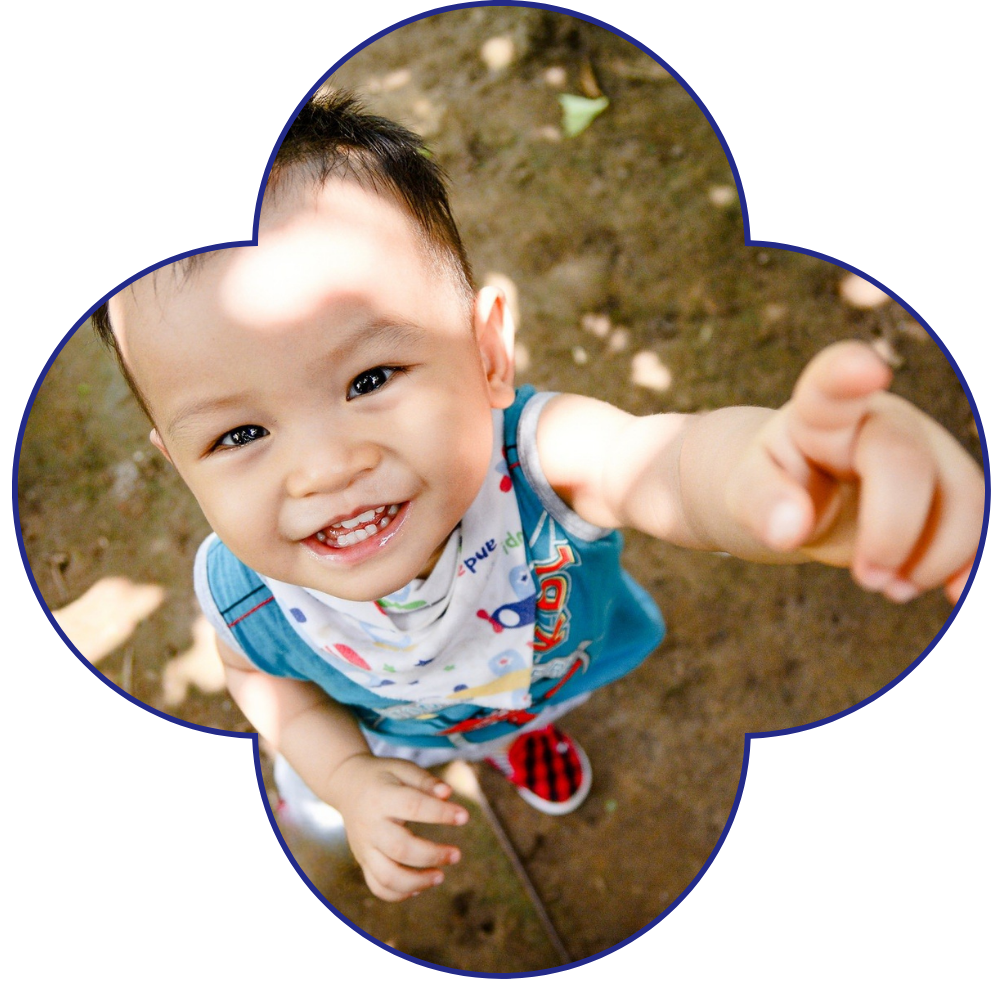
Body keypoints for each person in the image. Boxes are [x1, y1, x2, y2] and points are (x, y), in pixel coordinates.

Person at [92, 91, 985, 903]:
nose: (323, 469)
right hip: (383, 729)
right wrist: (345, 775)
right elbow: (268, 685)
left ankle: (517, 741)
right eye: (238, 436)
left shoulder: (533, 458)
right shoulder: (242, 589)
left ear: (487, 354)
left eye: (370, 377)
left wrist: (771, 476)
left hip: (531, 675)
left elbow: (659, 463)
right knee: (344, 789)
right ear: (178, 461)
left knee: (521, 712)